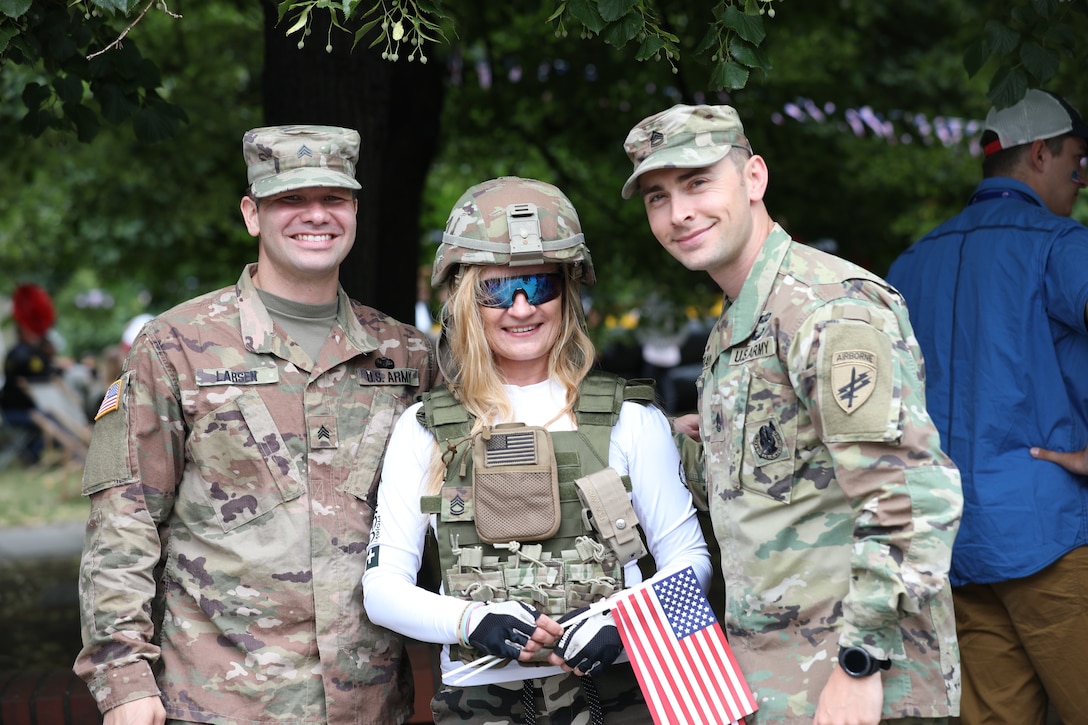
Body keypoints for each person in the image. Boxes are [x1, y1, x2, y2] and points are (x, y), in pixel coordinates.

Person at [73, 125, 438, 725]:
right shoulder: (177, 346)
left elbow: (443, 517)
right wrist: (123, 679)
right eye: (290, 199)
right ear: (252, 213)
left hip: (369, 702)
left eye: (333, 199)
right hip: (221, 701)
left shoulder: (404, 356)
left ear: (354, 210)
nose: (315, 216)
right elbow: (124, 520)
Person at [619, 104, 963, 725]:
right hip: (780, 685)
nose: (679, 213)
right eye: (656, 198)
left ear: (754, 178)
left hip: (858, 688)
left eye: (698, 182)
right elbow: (772, 487)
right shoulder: (741, 325)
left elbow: (912, 497)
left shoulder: (826, 309)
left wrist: (860, 664)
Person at [362, 176, 711, 724]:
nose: (521, 308)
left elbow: (692, 564)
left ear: (567, 293)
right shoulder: (423, 428)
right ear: (463, 298)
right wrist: (471, 622)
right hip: (479, 704)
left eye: (539, 286)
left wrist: (626, 621)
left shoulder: (632, 421)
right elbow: (382, 589)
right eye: (496, 290)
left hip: (621, 696)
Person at [885, 89, 1088, 724]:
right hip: (1048, 533)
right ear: (1040, 154)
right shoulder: (1060, 244)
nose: (1081, 181)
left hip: (953, 543)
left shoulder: (910, 264)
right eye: (1078, 162)